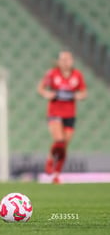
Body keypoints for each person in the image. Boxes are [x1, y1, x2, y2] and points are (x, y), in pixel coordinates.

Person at [37, 51, 87, 184]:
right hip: (55, 113)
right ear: (59, 61)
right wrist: (47, 94)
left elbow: (84, 92)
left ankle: (56, 175)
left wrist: (77, 96)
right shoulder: (52, 74)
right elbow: (41, 88)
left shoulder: (77, 75)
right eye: (63, 59)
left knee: (64, 146)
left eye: (68, 59)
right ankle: (49, 159)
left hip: (70, 114)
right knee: (59, 140)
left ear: (72, 61)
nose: (65, 62)